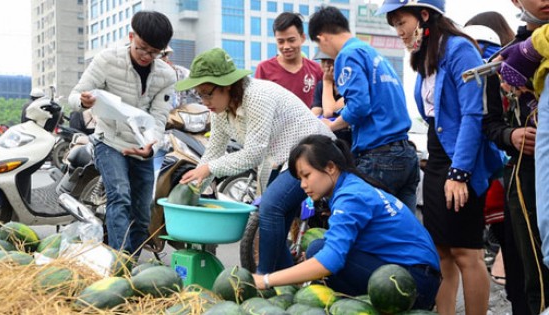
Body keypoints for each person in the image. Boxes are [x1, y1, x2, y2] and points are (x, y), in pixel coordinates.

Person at [379, 1, 504, 314]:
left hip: (460, 159)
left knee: (466, 252)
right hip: (435, 161)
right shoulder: (425, 58)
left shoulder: (460, 49)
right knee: (440, 253)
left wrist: (460, 172)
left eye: (401, 21)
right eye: (394, 24)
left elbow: (473, 114)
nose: (399, 31)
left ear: (424, 14)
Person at [175, 48, 335, 274]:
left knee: (270, 209)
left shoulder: (257, 97)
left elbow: (253, 154)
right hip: (283, 160)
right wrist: (195, 185)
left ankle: (263, 281)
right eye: (199, 94)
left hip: (314, 151)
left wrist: (209, 168)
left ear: (227, 85)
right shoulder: (219, 108)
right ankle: (287, 286)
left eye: (208, 93)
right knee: (275, 227)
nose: (204, 100)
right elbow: (214, 149)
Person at [251, 134, 441, 311]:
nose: (302, 185)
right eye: (300, 179)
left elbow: (330, 260)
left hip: (411, 285)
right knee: (319, 246)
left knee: (319, 251)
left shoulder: (351, 197)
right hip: (414, 275)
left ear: (331, 167)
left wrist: (266, 280)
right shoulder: (351, 186)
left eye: (306, 175)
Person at [68, 11, 176, 256]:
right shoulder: (106, 60)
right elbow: (75, 96)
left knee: (141, 210)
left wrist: (152, 144)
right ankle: (120, 262)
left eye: (155, 52)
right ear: (131, 37)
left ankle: (132, 261)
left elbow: (160, 116)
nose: (147, 56)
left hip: (142, 147)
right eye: (142, 48)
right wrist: (83, 102)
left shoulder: (167, 75)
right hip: (109, 142)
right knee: (120, 196)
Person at [307, 6, 420, 212]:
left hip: (379, 157)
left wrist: (331, 126)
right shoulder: (371, 53)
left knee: (360, 228)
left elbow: (359, 107)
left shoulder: (347, 55)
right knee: (403, 233)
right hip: (406, 155)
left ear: (322, 38)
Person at [481, 1, 549, 314]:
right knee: (533, 272)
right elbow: (489, 122)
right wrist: (512, 136)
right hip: (527, 175)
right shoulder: (504, 59)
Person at [465, 11, 529, 315]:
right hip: (515, 175)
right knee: (519, 265)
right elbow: (488, 123)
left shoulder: (525, 52)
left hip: (508, 176)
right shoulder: (499, 63)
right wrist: (511, 134)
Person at [255, 12, 323, 107]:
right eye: (281, 41)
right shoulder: (264, 69)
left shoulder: (317, 70)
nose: (286, 46)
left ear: (303, 38)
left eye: (291, 40)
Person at [310, 50, 352, 146]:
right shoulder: (321, 85)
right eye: (324, 62)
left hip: (349, 138)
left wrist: (327, 82)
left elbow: (329, 112)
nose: (327, 67)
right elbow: (315, 111)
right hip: (329, 139)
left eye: (331, 62)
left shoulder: (350, 84)